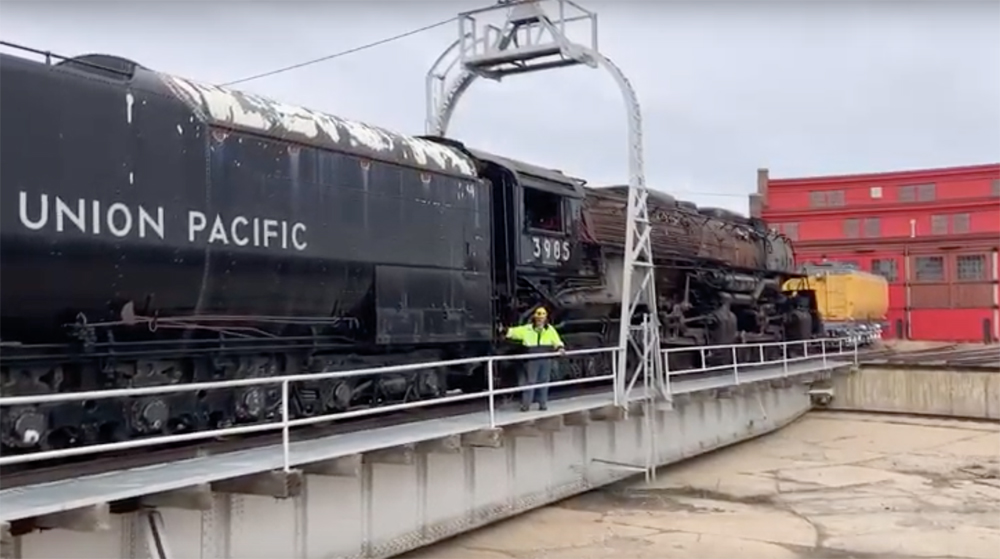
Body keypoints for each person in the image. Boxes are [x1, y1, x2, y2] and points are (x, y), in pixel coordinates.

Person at [504, 307, 566, 411]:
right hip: (532, 359)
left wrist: (560, 348)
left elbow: (556, 340)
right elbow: (514, 332)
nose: (540, 320)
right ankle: (526, 405)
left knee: (544, 381)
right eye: (538, 318)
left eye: (542, 318)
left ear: (545, 319)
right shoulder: (527, 329)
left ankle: (542, 404)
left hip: (545, 359)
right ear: (535, 318)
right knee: (530, 382)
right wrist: (504, 330)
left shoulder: (550, 329)